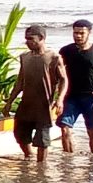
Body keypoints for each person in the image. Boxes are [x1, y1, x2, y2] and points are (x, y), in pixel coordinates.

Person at [12, 23, 67, 162]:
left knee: (42, 140)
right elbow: (20, 81)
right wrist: (9, 102)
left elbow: (64, 80)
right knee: (19, 134)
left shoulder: (53, 57)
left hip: (44, 105)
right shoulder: (24, 57)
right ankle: (28, 155)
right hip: (26, 104)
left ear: (41, 38)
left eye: (31, 39)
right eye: (26, 39)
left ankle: (41, 166)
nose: (27, 42)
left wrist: (60, 99)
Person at [56, 19, 93, 151]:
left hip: (92, 97)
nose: (78, 36)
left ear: (89, 33)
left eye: (82, 33)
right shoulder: (66, 51)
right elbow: (57, 72)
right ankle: (68, 161)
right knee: (65, 129)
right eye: (75, 33)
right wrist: (57, 95)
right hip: (70, 97)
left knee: (92, 132)